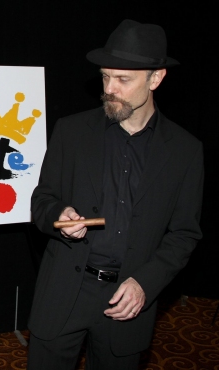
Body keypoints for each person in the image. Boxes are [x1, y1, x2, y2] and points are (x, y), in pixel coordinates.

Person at [27, 19, 204, 369]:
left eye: (123, 79)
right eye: (106, 76)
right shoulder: (72, 131)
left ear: (156, 79)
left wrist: (145, 284)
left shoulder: (185, 151)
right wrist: (57, 215)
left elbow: (184, 233)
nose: (110, 88)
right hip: (65, 290)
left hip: (128, 299)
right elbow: (42, 199)